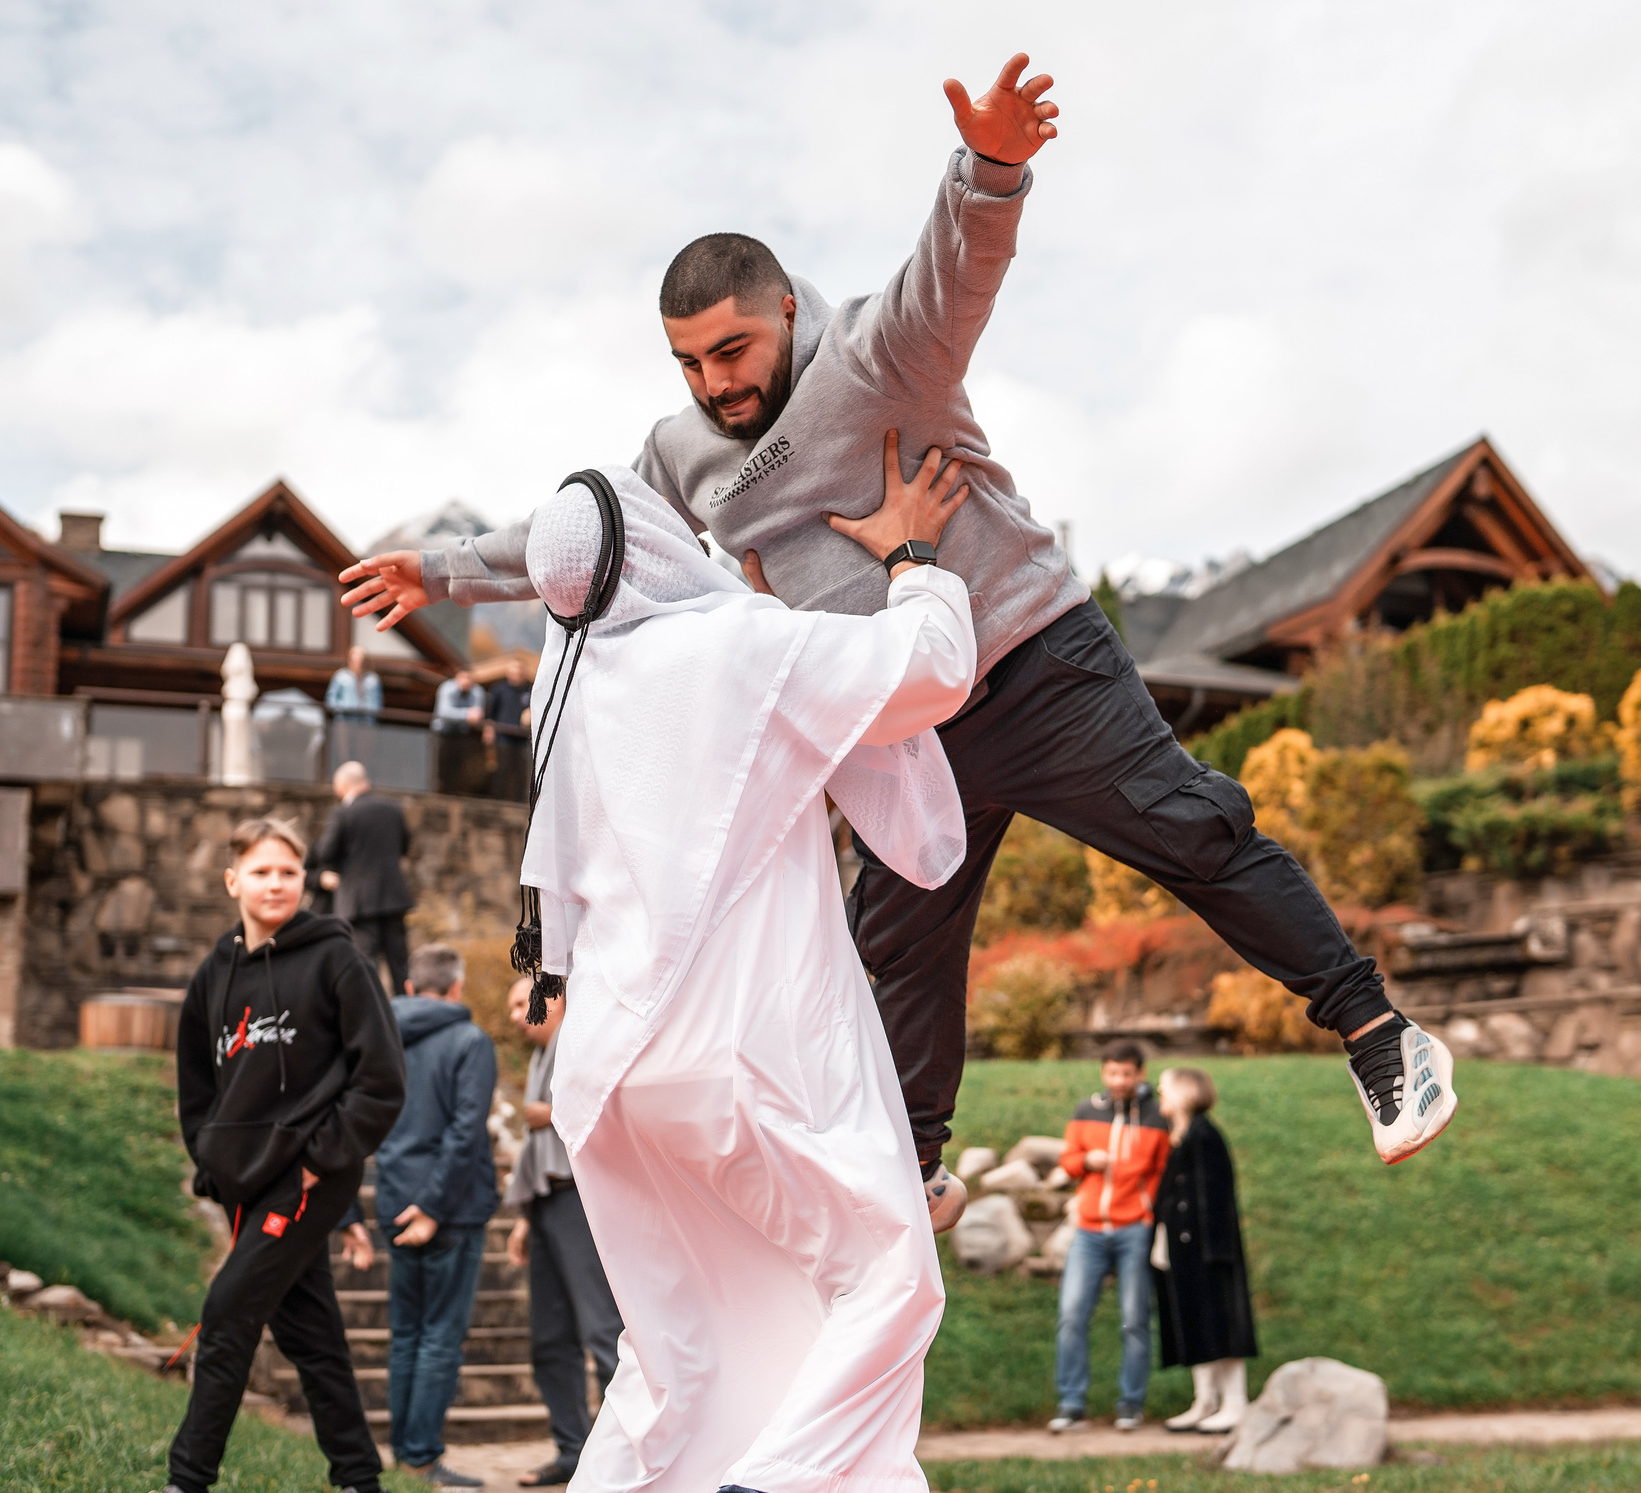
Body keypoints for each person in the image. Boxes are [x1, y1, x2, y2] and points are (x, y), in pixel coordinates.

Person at [340, 51, 1459, 1202]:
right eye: (689, 364)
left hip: (1035, 667)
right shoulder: (680, 453)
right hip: (899, 725)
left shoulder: (880, 355)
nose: (717, 384)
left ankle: (1377, 1033)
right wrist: (439, 572)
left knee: (1193, 830)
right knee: (901, 953)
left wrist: (991, 166)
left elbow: (952, 271)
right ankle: (911, 1170)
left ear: (785, 307)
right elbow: (598, 537)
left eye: (733, 351)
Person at [486, 443, 974, 1493]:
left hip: (607, 1070)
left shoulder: (569, 691)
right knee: (890, 1272)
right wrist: (914, 556)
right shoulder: (733, 648)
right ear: (655, 545)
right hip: (734, 1048)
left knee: (674, 1343)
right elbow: (927, 675)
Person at [107, 816, 406, 1493]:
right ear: (233, 879)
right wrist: (211, 1164)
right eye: (262, 871)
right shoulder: (214, 976)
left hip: (309, 1176)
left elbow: (383, 1079)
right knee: (312, 1334)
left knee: (228, 1310)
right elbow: (196, 1085)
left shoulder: (336, 959)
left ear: (304, 882)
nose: (277, 884)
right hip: (245, 1185)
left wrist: (321, 1159)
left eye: (290, 873)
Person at [334, 943, 500, 1493]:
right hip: (448, 1209)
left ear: (408, 988)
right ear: (455, 989)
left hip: (393, 1201)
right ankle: (420, 1458)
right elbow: (466, 1128)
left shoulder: (380, 1038)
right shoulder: (469, 1040)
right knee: (438, 1338)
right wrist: (431, 1206)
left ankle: (404, 1453)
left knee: (405, 1333)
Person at [498, 975, 623, 1492]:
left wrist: (547, 1114)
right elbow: (536, 1151)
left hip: (581, 1198)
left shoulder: (583, 1043)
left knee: (600, 1329)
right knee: (549, 1337)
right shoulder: (543, 1054)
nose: (511, 1015)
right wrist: (526, 1216)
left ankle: (628, 1456)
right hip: (548, 1201)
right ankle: (572, 1450)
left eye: (517, 1002)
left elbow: (616, 1107)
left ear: (552, 999)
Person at [1051, 1040, 1170, 1433]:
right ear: (1104, 1072)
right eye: (1113, 1073)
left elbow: (1160, 1171)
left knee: (1134, 1319)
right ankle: (1071, 1403)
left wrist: (1148, 1210)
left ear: (1140, 1074)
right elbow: (1068, 1161)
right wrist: (1086, 1161)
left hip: (1134, 1228)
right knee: (1071, 1315)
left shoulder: (1156, 1115)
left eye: (1128, 1073)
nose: (1120, 1080)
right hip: (1088, 1229)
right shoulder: (1086, 1111)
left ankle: (1130, 1404)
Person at [1150, 1066, 1256, 1435]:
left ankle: (1235, 1403)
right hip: (1181, 1250)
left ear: (1183, 1092)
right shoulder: (1182, 1135)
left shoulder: (1204, 1135)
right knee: (1195, 1322)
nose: (1158, 1093)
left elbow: (1215, 1199)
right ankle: (1206, 1400)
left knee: (1221, 1324)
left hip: (1206, 1251)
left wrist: (1215, 1254)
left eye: (1164, 1088)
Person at [313, 761, 414, 997]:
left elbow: (325, 852)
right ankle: (407, 1012)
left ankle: (375, 1015)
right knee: (400, 965)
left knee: (366, 965)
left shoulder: (343, 813)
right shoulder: (393, 808)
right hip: (393, 897)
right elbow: (405, 846)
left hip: (358, 902)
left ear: (343, 786)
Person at [481, 656, 532, 802]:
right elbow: (490, 714)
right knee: (501, 771)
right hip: (502, 737)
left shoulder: (530, 690)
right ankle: (498, 800)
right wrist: (488, 731)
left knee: (520, 773)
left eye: (519, 670)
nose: (516, 673)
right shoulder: (499, 689)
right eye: (513, 670)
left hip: (522, 739)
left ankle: (518, 801)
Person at [432, 666, 489, 796]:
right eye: (463, 677)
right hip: (443, 734)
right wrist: (466, 715)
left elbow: (477, 715)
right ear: (456, 678)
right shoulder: (447, 688)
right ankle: (439, 793)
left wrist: (468, 716)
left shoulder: (477, 692)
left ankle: (455, 793)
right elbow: (444, 712)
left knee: (459, 769)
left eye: (469, 678)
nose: (466, 681)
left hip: (462, 735)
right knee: (441, 769)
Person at [326, 643, 383, 765]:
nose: (358, 660)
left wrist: (368, 710)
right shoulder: (341, 677)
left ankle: (362, 772)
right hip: (345, 719)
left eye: (360, 657)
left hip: (365, 721)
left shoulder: (372, 679)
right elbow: (331, 700)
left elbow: (377, 702)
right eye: (355, 657)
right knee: (344, 751)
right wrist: (342, 708)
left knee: (364, 752)